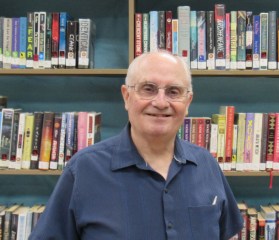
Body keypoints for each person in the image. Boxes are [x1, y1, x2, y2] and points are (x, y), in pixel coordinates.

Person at [29, 51, 243, 239]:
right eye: (148, 89)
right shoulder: (84, 170)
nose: (160, 102)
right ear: (127, 96)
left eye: (173, 92)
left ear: (187, 103)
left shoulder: (206, 165)